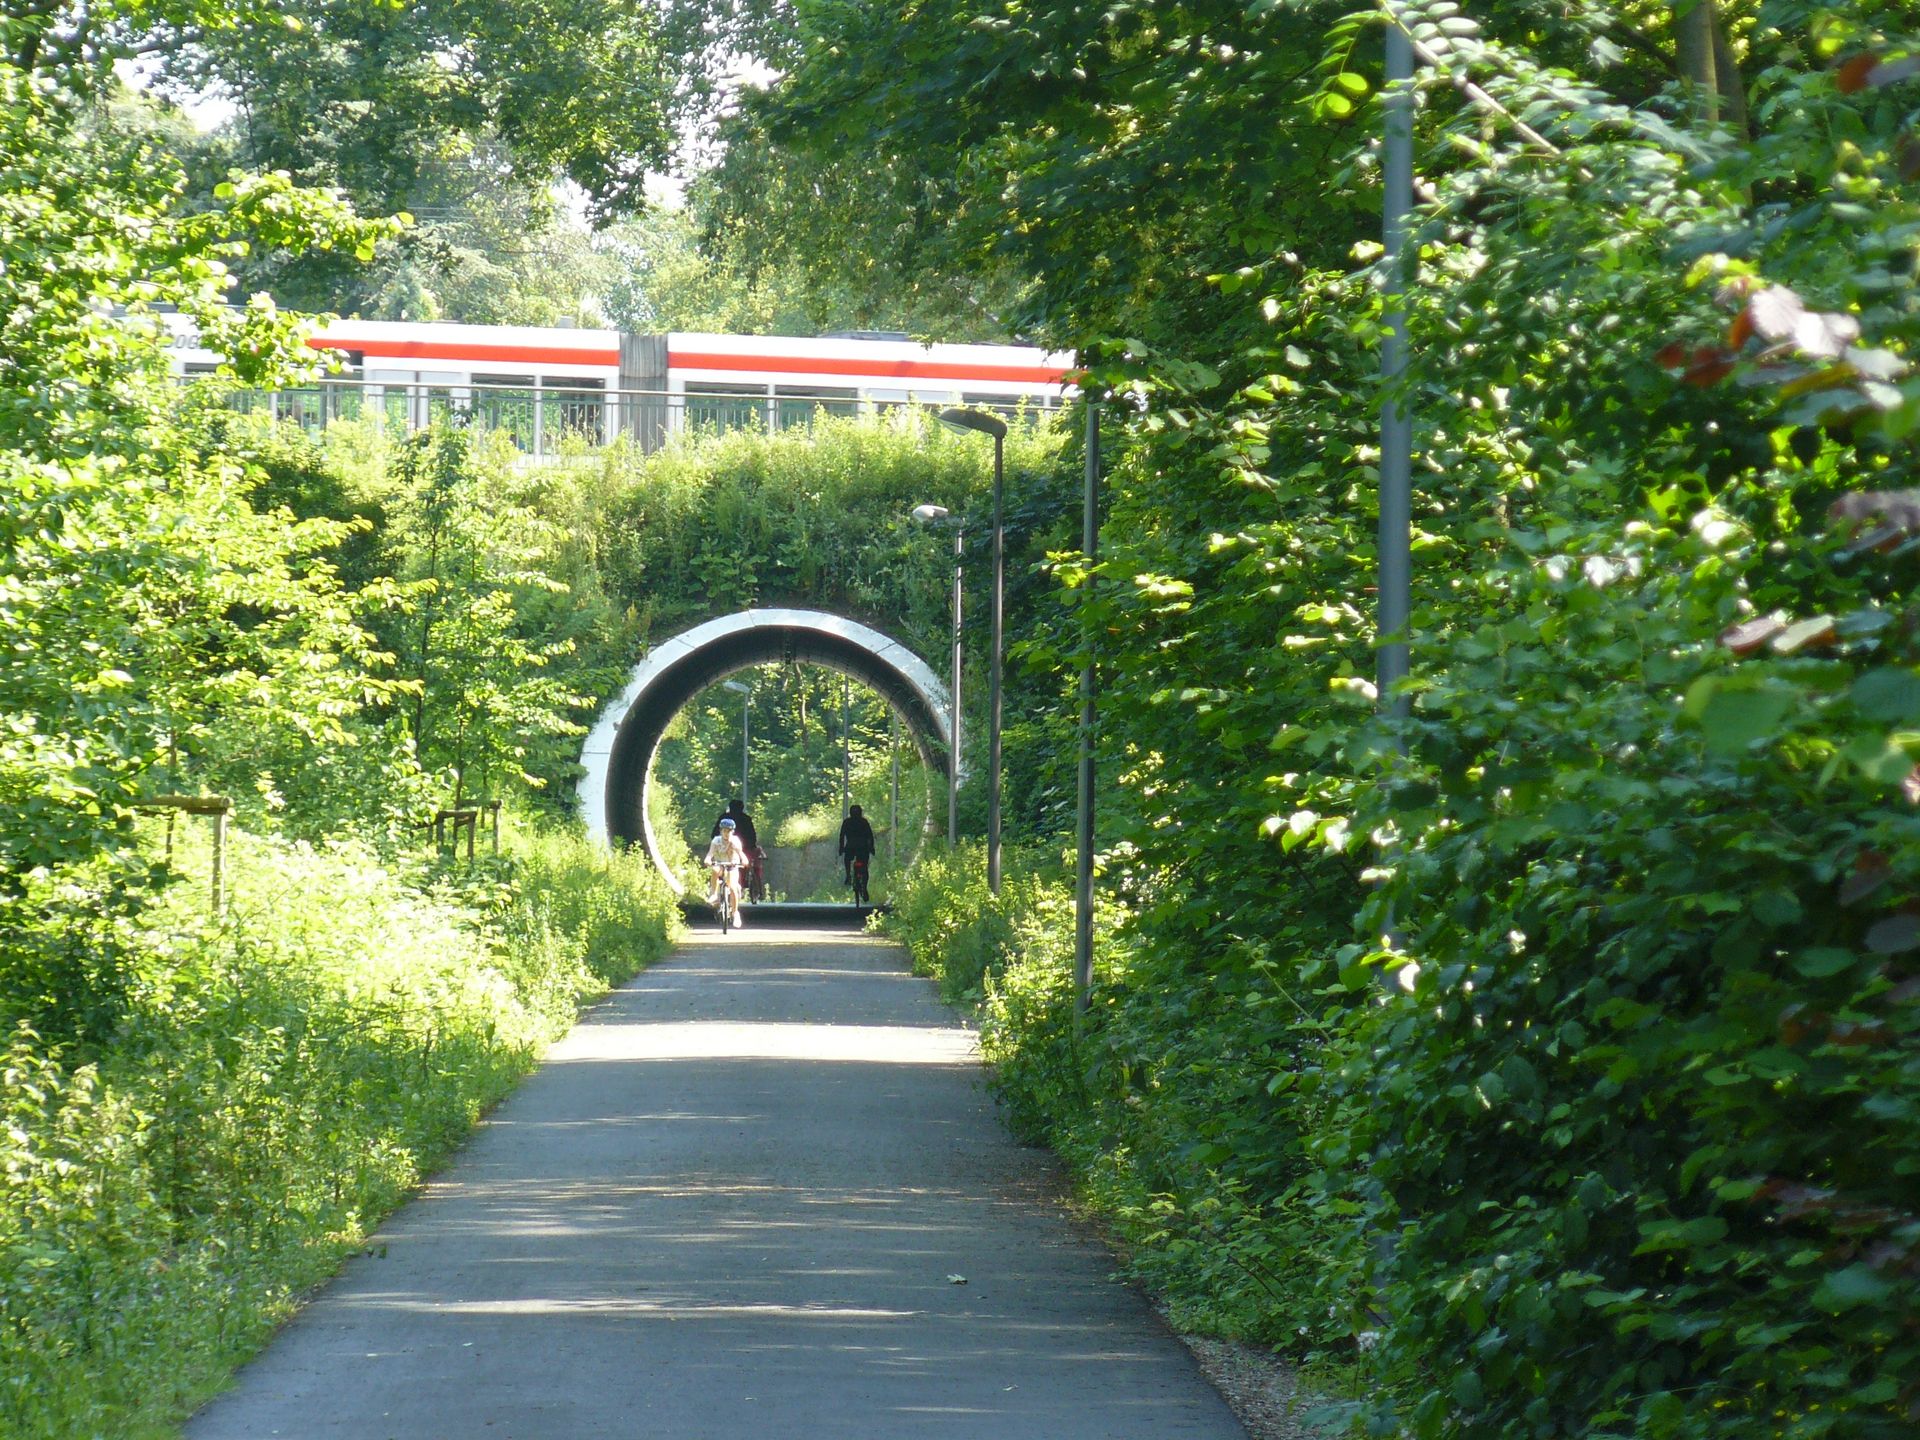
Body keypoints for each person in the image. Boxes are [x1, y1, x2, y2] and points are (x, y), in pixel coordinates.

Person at [704, 817, 748, 926]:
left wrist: (744, 860)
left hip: (732, 866)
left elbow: (741, 854)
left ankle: (735, 913)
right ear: (721, 831)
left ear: (732, 832)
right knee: (714, 870)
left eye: (729, 831)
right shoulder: (716, 841)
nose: (726, 833)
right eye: (724, 831)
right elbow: (710, 854)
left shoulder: (735, 841)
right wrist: (708, 860)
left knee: (732, 887)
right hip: (720, 864)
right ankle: (714, 894)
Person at [838, 804, 875, 886]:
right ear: (860, 813)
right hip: (863, 848)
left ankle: (848, 876)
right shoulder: (864, 822)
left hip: (850, 847)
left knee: (847, 859)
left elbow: (842, 836)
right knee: (864, 867)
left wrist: (841, 848)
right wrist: (871, 848)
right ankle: (864, 887)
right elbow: (870, 835)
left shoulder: (847, 822)